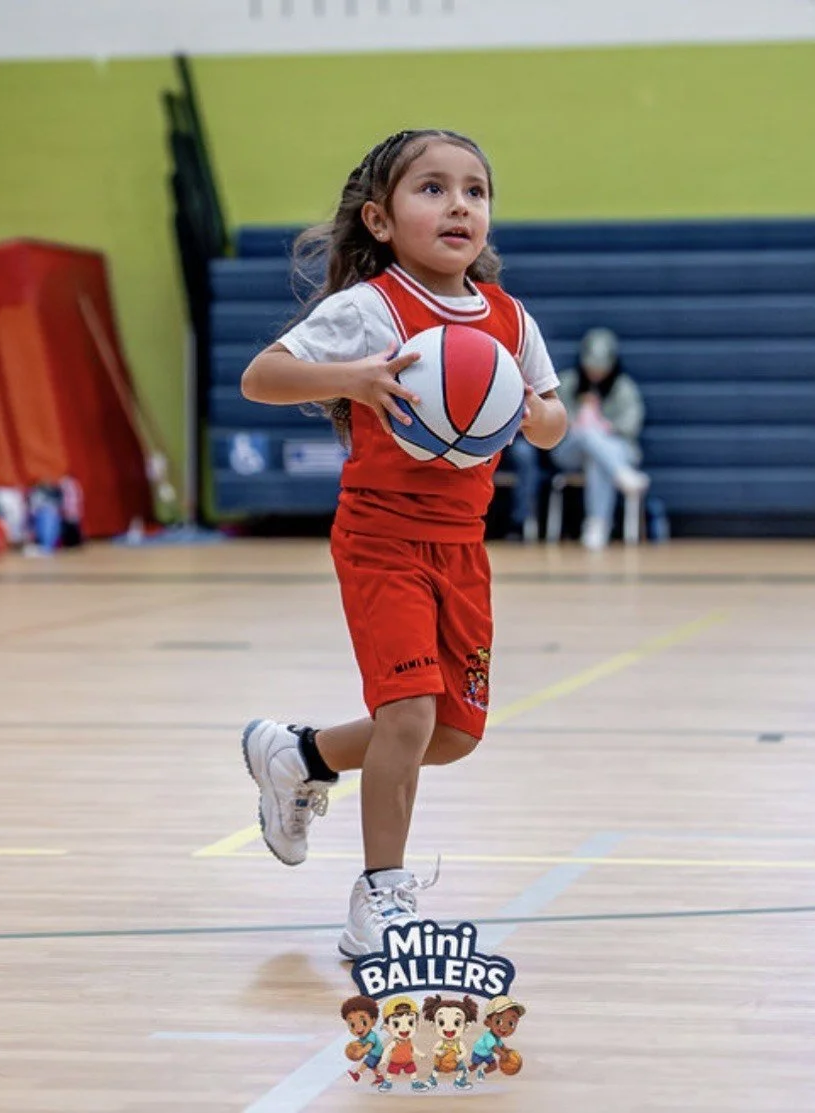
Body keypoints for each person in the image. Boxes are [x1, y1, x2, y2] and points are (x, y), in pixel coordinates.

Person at [237, 129, 566, 957]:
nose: (460, 204)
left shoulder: (509, 319)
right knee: (409, 712)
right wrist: (349, 377)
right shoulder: (369, 309)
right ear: (381, 220)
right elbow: (261, 376)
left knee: (450, 733)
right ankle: (379, 898)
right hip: (381, 534)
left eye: (475, 191)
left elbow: (555, 420)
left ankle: (298, 754)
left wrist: (529, 411)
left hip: (462, 544)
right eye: (433, 188)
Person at [550, 328, 649, 549]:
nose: (595, 371)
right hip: (571, 449)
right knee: (587, 433)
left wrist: (608, 426)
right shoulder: (567, 382)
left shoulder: (624, 387)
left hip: (615, 448)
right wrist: (575, 421)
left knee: (597, 459)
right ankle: (621, 474)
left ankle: (597, 524)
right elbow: (552, 417)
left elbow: (631, 424)